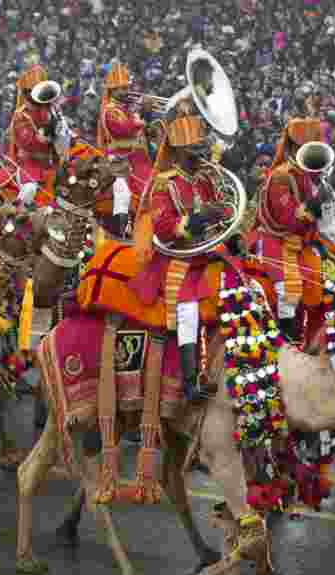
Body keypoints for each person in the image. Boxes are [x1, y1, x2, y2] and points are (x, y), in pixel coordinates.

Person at [129, 112, 229, 401]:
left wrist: (224, 221)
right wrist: (200, 218)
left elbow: (221, 212)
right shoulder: (165, 183)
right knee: (188, 312)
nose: (201, 156)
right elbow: (164, 229)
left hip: (208, 254)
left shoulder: (205, 180)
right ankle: (188, 383)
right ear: (180, 153)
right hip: (177, 260)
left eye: (201, 149)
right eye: (195, 151)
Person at [251, 116, 335, 338]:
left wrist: (328, 206)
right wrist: (316, 204)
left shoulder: (311, 175)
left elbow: (324, 222)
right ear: (294, 147)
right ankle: (287, 341)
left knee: (325, 282)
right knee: (288, 292)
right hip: (276, 241)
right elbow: (289, 219)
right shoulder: (281, 177)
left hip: (302, 242)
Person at [8, 64, 69, 202]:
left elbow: (64, 139)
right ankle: (17, 214)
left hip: (51, 164)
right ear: (26, 93)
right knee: (29, 188)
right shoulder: (20, 115)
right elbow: (28, 142)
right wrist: (45, 135)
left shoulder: (53, 112)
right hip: (28, 166)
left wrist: (62, 132)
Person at [97, 62, 153, 193]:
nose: (126, 92)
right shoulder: (110, 110)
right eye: (121, 89)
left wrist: (148, 117)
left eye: (126, 88)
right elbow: (126, 131)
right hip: (123, 160)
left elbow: (141, 129)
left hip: (139, 158)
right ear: (112, 90)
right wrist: (141, 111)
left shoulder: (126, 108)